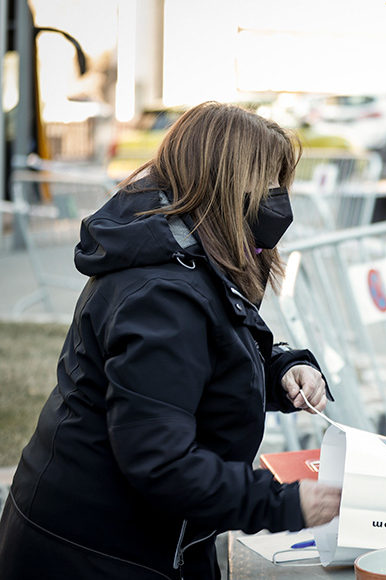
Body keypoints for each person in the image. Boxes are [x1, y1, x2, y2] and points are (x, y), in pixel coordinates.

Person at [0, 102, 342, 579]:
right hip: (92, 555)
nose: (277, 199)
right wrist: (286, 502)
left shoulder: (186, 258)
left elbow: (202, 362)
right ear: (224, 185)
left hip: (138, 543)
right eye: (266, 182)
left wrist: (284, 368)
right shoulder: (161, 294)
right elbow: (161, 461)